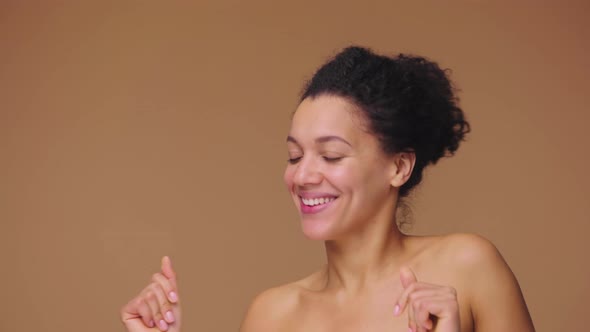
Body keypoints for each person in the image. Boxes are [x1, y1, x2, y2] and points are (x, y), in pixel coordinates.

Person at [120, 46, 535, 332]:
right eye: (295, 155)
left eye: (331, 156)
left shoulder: (467, 268)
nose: (302, 177)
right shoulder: (271, 316)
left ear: (398, 166)